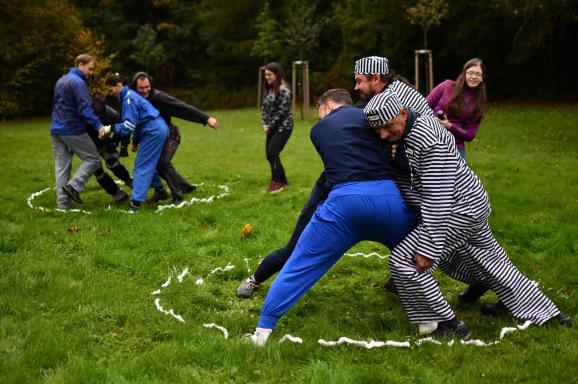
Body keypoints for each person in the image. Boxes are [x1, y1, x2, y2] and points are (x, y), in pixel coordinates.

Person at [363, 89, 571, 337]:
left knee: (405, 261)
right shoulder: (410, 129)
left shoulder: (429, 140)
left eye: (387, 127)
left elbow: (437, 198)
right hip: (470, 203)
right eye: (379, 131)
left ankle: (446, 325)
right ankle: (547, 314)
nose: (384, 135)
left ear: (403, 113)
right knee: (491, 261)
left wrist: (428, 248)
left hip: (461, 208)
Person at [236, 56, 432, 298]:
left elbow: (415, 128)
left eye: (359, 81)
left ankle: (410, 279)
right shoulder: (364, 108)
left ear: (328, 106)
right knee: (298, 243)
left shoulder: (395, 100)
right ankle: (256, 278)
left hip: (385, 184)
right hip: (339, 182)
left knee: (419, 235)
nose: (357, 86)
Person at [247, 89, 417, 346]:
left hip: (344, 204)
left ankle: (262, 332)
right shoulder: (372, 118)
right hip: (388, 200)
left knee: (300, 264)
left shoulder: (319, 130)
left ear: (327, 107)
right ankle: (430, 319)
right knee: (419, 253)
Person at [131, 72, 219, 204]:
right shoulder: (135, 100)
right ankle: (183, 187)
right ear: (135, 88)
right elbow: (138, 122)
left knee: (163, 163)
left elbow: (182, 107)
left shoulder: (159, 97)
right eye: (141, 88)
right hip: (154, 137)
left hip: (171, 135)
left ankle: (178, 196)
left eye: (147, 87)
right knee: (155, 163)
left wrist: (206, 119)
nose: (145, 90)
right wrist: (135, 141)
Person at [100, 74, 169, 212]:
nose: (110, 92)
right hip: (156, 129)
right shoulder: (130, 96)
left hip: (153, 132)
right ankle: (160, 191)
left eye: (111, 89)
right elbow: (138, 122)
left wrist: (109, 128)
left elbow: (128, 126)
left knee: (141, 166)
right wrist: (136, 140)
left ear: (119, 85)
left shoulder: (129, 99)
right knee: (148, 163)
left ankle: (135, 204)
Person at [50, 53, 108, 209]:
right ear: (80, 64)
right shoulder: (78, 82)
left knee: (62, 166)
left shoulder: (61, 80)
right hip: (72, 129)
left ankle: (62, 206)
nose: (91, 73)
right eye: (89, 69)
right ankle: (74, 186)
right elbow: (85, 108)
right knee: (93, 159)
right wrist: (99, 126)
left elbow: (56, 105)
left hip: (56, 129)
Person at [426, 58, 486, 160]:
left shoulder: (478, 103)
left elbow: (470, 135)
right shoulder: (447, 86)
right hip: (431, 139)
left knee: (458, 176)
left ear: (482, 78)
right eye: (470, 73)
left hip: (456, 147)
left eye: (478, 74)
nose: (474, 77)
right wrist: (433, 120)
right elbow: (424, 105)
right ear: (464, 74)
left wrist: (449, 126)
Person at [261, 62, 293, 193]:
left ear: (276, 74)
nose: (267, 77)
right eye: (266, 74)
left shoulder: (284, 90)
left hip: (283, 126)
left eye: (269, 74)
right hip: (271, 127)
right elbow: (264, 108)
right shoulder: (269, 89)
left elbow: (282, 112)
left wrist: (270, 125)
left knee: (272, 153)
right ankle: (282, 179)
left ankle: (277, 182)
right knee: (270, 154)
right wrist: (264, 123)